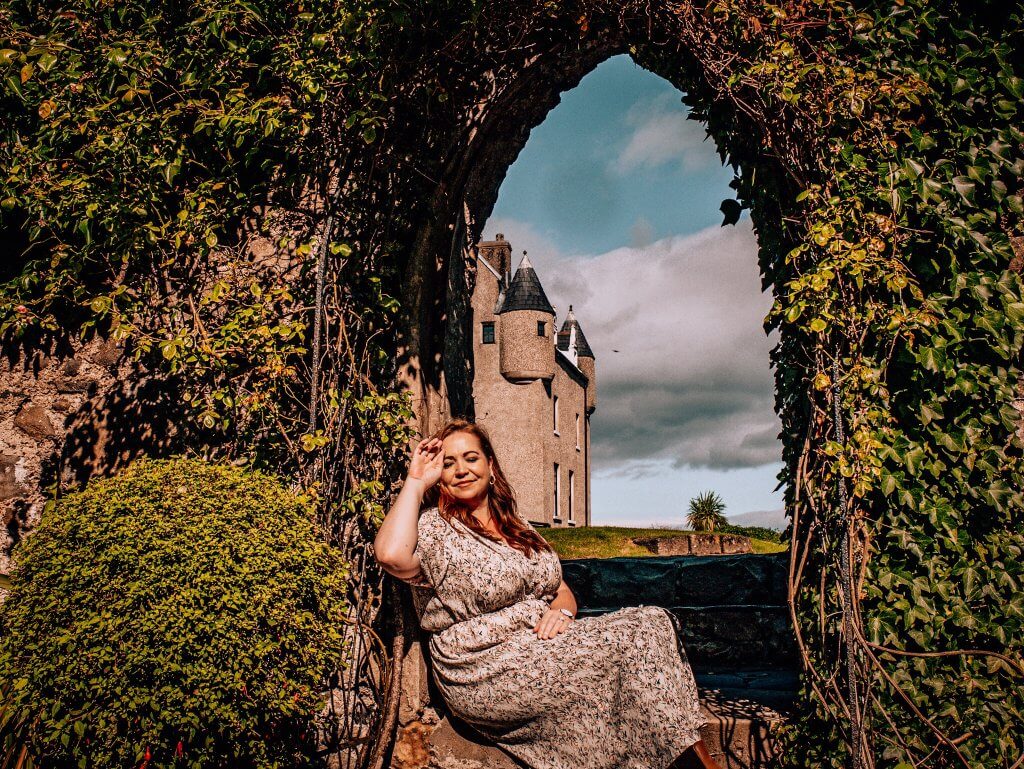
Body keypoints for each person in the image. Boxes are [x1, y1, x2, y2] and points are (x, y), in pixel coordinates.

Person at [374, 418, 722, 769]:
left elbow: (561, 590)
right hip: (484, 666)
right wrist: (416, 482)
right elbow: (391, 556)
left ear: (490, 465)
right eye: (448, 463)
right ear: (439, 475)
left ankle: (680, 756)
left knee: (653, 622)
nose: (461, 470)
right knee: (634, 642)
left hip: (541, 644)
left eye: (471, 458)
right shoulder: (436, 529)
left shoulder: (517, 524)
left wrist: (564, 612)